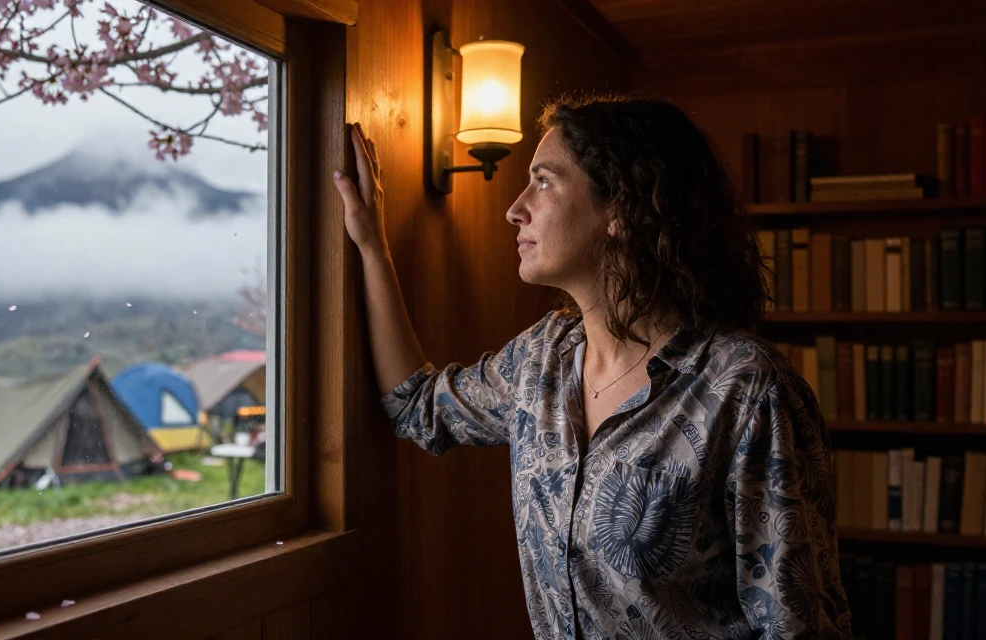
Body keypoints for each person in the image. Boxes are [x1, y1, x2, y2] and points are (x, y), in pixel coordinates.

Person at [331, 93, 851, 640]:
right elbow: (417, 406)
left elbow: (800, 627)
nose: (515, 207)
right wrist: (371, 245)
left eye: (544, 182)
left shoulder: (744, 388)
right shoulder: (540, 361)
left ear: (621, 209)